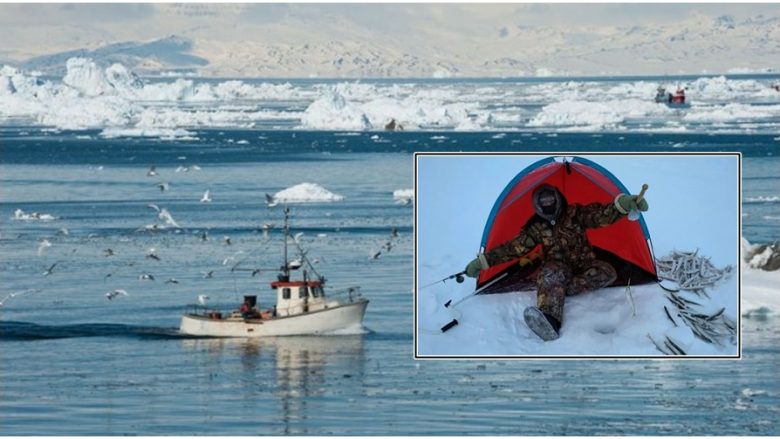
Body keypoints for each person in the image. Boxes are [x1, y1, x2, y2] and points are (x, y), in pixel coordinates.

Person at [464, 184, 649, 341]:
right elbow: (513, 248)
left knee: (608, 272)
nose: (548, 204)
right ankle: (549, 319)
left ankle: (560, 289)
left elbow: (599, 216)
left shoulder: (575, 213)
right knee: (551, 273)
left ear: (557, 198)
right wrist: (484, 262)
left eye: (550, 199)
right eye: (543, 201)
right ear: (537, 205)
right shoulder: (535, 227)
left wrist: (620, 207)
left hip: (584, 264)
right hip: (557, 267)